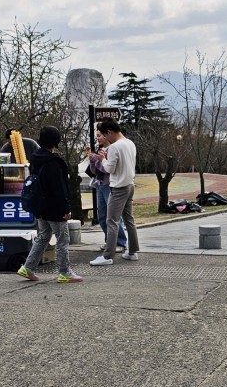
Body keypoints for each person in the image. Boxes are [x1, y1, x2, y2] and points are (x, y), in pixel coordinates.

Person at [15, 125, 81, 283]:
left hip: (39, 205)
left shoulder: (35, 158)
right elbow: (59, 189)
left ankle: (28, 267)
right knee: (63, 239)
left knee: (43, 236)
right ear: (56, 142)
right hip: (54, 208)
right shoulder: (54, 162)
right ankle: (65, 272)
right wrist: (66, 209)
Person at [90, 119, 140, 266]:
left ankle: (107, 256)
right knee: (129, 220)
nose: (106, 139)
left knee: (111, 221)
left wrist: (103, 159)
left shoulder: (114, 147)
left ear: (110, 132)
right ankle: (132, 252)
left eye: (105, 135)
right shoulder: (130, 143)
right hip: (130, 185)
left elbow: (109, 169)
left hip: (118, 188)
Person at [87, 125, 128, 253]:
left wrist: (99, 160)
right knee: (102, 216)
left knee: (113, 216)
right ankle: (109, 241)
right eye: (97, 136)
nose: (98, 138)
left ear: (106, 135)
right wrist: (92, 160)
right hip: (100, 184)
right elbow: (94, 171)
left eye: (99, 135)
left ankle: (120, 242)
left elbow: (108, 169)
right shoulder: (100, 150)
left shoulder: (112, 149)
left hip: (109, 185)